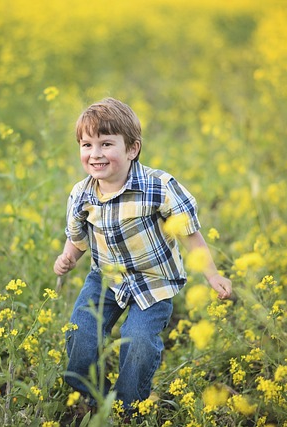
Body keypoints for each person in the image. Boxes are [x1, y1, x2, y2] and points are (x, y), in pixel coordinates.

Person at [53, 97, 232, 414]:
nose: (95, 154)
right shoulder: (81, 193)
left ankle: (128, 407)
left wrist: (213, 274)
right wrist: (68, 257)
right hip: (106, 277)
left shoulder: (157, 187)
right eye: (87, 145)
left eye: (106, 144)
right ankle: (99, 398)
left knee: (137, 343)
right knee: (79, 339)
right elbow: (77, 237)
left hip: (154, 282)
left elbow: (190, 234)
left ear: (132, 149)